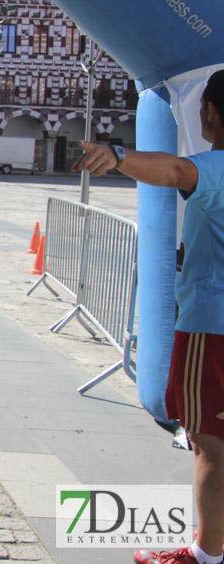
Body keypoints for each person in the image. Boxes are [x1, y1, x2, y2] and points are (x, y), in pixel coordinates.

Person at [72, 69, 224, 564]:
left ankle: (206, 554)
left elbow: (178, 172)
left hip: (213, 325)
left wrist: (117, 156)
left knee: (211, 443)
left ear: (209, 113)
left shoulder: (216, 167)